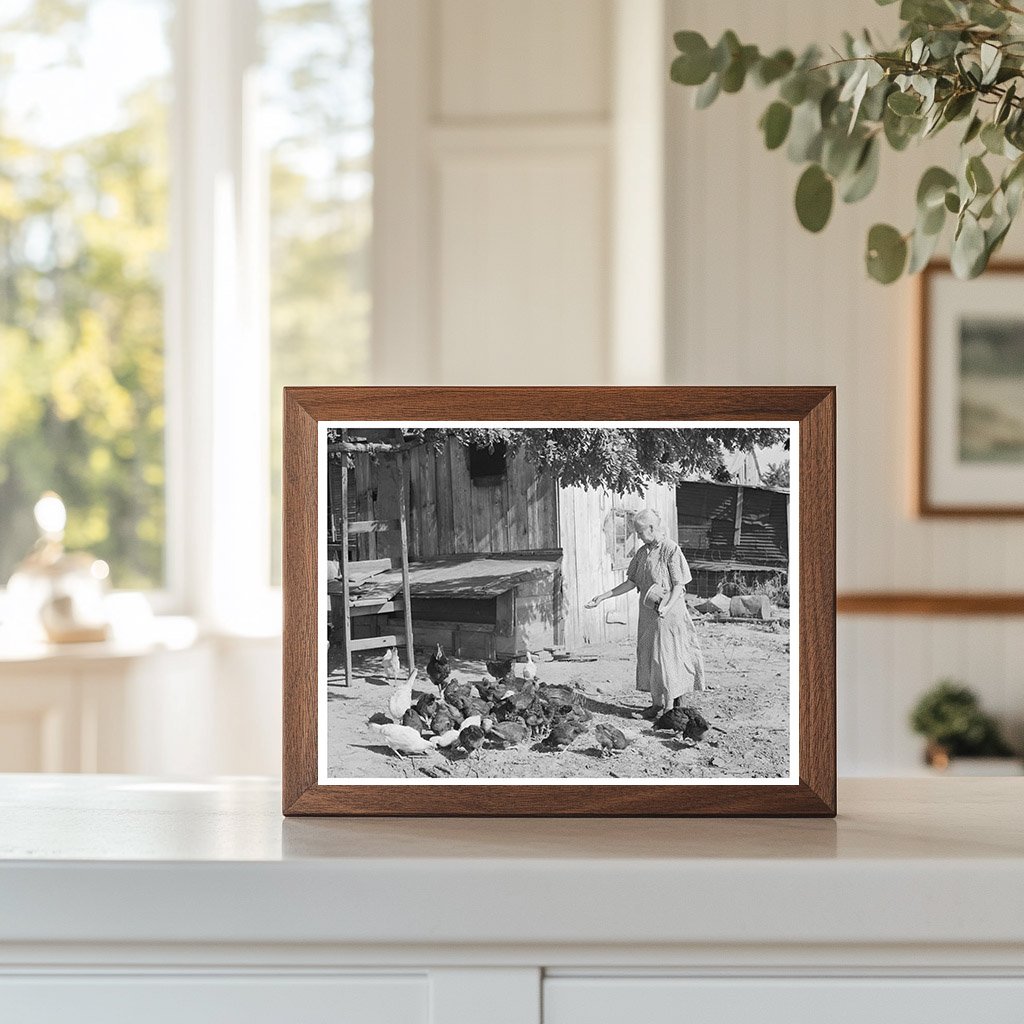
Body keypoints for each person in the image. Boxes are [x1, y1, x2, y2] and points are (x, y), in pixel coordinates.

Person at [585, 509, 706, 718]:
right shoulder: (643, 552)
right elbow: (631, 581)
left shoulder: (670, 549)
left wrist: (667, 606)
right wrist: (603, 596)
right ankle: (656, 705)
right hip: (649, 612)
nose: (638, 536)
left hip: (669, 613)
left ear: (651, 528)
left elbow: (679, 586)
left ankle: (670, 709)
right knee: (649, 655)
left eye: (640, 531)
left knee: (666, 658)